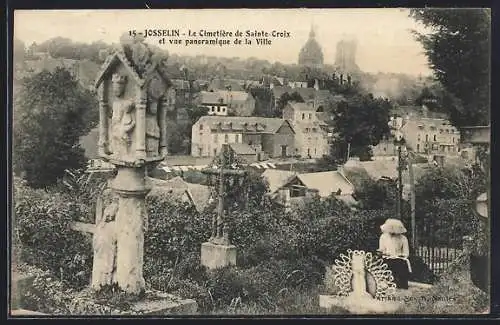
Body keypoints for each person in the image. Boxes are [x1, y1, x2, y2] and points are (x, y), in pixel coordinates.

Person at [377, 218, 412, 289]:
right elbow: (382, 249)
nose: (392, 231)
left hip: (398, 258)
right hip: (387, 258)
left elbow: (406, 252)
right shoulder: (383, 237)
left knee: (401, 264)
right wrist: (383, 252)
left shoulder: (403, 238)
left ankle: (401, 284)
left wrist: (402, 255)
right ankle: (387, 283)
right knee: (386, 264)